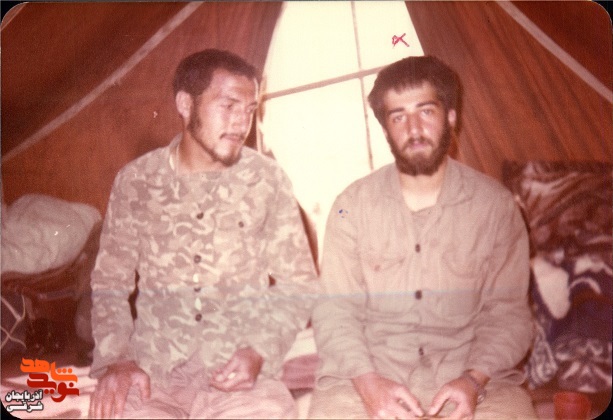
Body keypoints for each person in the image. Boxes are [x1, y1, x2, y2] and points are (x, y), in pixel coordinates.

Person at [88, 49, 319, 419]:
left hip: (240, 382)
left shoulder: (267, 180)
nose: (241, 122)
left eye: (249, 109)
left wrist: (259, 350)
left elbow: (300, 283)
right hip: (153, 378)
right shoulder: (136, 181)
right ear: (185, 104)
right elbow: (110, 282)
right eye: (228, 106)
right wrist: (117, 360)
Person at [309, 56, 537, 419]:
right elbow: (334, 312)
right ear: (386, 129)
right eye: (398, 117)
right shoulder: (350, 206)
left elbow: (509, 315)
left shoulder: (495, 206)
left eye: (426, 112)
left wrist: (473, 381)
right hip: (368, 378)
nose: (413, 129)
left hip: (476, 381)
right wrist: (369, 385)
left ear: (451, 116)